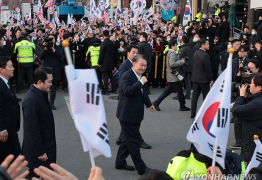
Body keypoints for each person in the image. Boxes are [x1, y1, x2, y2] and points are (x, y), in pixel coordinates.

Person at [115, 54, 154, 175]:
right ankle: (141, 168)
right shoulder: (127, 76)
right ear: (134, 64)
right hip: (128, 115)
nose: (143, 68)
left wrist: (149, 104)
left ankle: (120, 162)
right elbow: (127, 91)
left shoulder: (139, 76)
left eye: (145, 66)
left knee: (127, 141)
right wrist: (140, 83)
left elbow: (142, 92)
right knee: (133, 142)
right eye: (141, 65)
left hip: (135, 115)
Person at [22, 67, 57, 179]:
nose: (51, 84)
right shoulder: (31, 100)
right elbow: (32, 130)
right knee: (36, 175)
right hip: (39, 151)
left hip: (46, 145)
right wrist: (40, 152)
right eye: (49, 81)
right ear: (39, 82)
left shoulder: (40, 94)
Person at [232, 73, 262, 164]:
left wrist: (241, 96)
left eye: (252, 83)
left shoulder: (257, 103)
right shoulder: (256, 100)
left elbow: (236, 111)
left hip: (255, 148)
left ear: (259, 88)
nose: (249, 85)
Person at [152, 40, 190, 111]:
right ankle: (182, 106)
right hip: (174, 75)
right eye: (176, 45)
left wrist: (179, 61)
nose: (176, 46)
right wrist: (181, 62)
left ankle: (157, 102)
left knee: (168, 91)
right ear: (172, 46)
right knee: (180, 92)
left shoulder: (170, 52)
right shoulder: (172, 53)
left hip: (171, 75)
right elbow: (172, 64)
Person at [0, 56, 21, 164]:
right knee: (4, 156)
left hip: (12, 127)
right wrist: (2, 129)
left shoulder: (7, 82)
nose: (13, 68)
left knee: (16, 151)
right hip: (4, 130)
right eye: (10, 66)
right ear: (1, 69)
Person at [39, 34, 63, 110]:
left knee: (53, 89)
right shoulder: (43, 47)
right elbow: (40, 56)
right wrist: (45, 48)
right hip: (45, 70)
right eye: (49, 39)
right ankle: (44, 103)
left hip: (54, 70)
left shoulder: (56, 47)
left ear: (55, 40)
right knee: (44, 88)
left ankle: (51, 103)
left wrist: (53, 50)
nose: (50, 40)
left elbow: (61, 56)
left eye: (52, 39)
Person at [191, 39, 213, 118]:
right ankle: (205, 114)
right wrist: (211, 79)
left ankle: (192, 113)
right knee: (206, 97)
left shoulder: (195, 53)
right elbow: (208, 68)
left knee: (195, 97)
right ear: (202, 45)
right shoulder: (205, 55)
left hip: (195, 77)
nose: (209, 45)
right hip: (203, 79)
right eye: (207, 44)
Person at [98, 30, 117, 95]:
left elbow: (101, 54)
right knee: (111, 76)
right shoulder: (111, 43)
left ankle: (105, 90)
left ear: (103, 35)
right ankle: (114, 89)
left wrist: (99, 62)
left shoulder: (103, 43)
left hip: (104, 62)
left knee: (105, 76)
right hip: (110, 62)